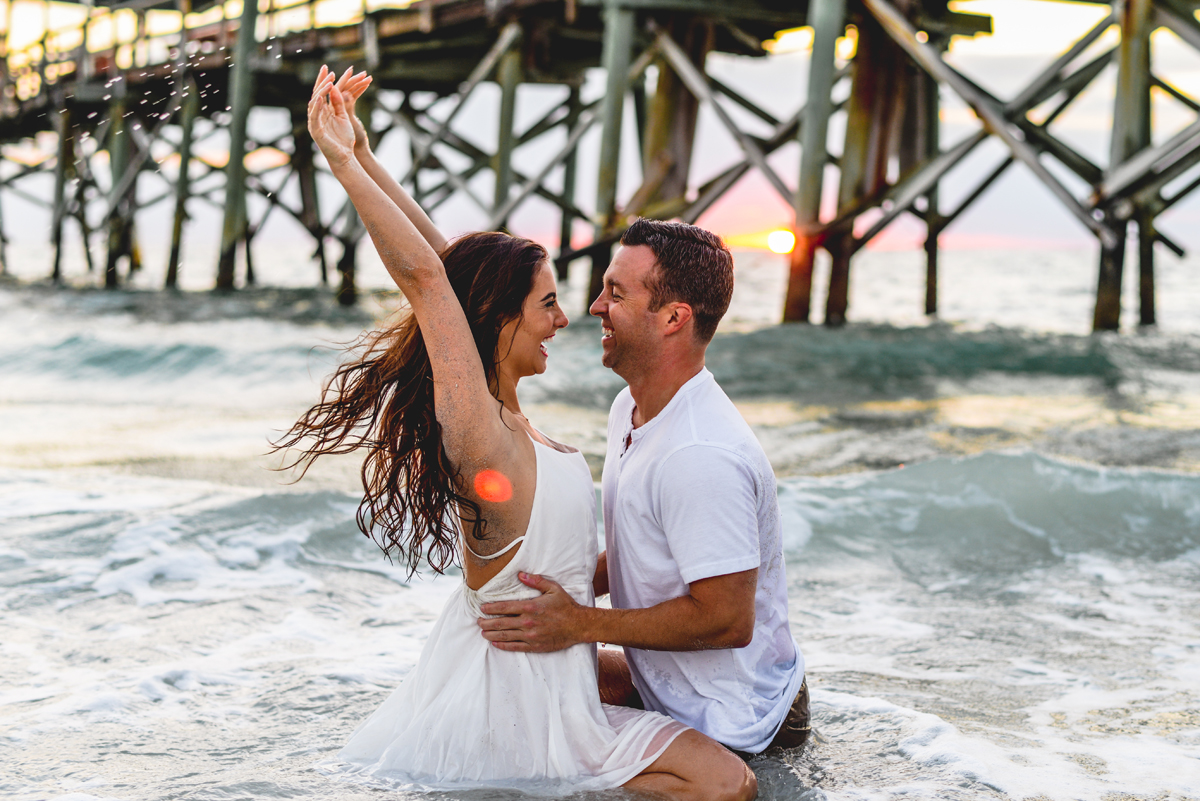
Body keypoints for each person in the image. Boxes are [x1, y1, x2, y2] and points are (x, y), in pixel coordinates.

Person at [281, 66, 757, 799]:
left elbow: (453, 272)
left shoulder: (508, 420)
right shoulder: (482, 437)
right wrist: (342, 163)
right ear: (502, 317)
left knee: (689, 728)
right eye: (549, 303)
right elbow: (431, 282)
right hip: (520, 702)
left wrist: (371, 157)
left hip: (552, 668)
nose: (567, 318)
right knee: (726, 785)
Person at [478, 219, 810, 758]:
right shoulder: (630, 409)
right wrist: (538, 592)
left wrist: (580, 623)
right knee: (506, 663)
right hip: (666, 684)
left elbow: (727, 619)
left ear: (674, 318)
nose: (593, 307)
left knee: (543, 723)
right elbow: (641, 549)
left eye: (616, 293)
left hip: (735, 720)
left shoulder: (699, 455)